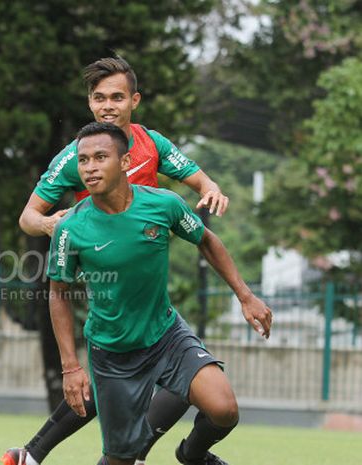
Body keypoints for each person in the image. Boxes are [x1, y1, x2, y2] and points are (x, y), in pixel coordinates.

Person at [3, 57, 229, 465]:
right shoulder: (76, 156)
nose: (108, 105)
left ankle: (40, 454)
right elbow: (27, 217)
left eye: (117, 97)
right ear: (90, 104)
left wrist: (211, 187)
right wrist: (52, 224)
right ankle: (52, 453)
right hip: (104, 268)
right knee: (124, 363)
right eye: (98, 98)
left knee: (174, 379)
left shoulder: (152, 144)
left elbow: (196, 177)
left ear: (134, 101)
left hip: (147, 264)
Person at [47, 121, 272, 465]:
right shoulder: (70, 229)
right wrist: (70, 367)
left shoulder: (164, 205)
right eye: (83, 160)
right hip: (113, 354)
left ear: (124, 162)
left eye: (100, 157)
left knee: (223, 409)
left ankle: (193, 455)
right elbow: (58, 293)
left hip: (166, 336)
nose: (90, 168)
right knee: (121, 458)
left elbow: (207, 241)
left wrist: (245, 295)